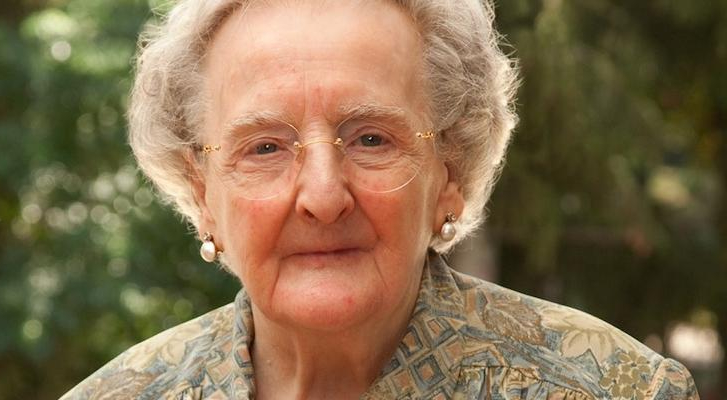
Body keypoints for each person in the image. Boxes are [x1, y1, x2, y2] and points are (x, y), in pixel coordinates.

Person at [61, 0, 700, 399]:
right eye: (264, 148)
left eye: (371, 138)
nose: (322, 195)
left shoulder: (617, 390)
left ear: (449, 170)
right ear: (202, 192)